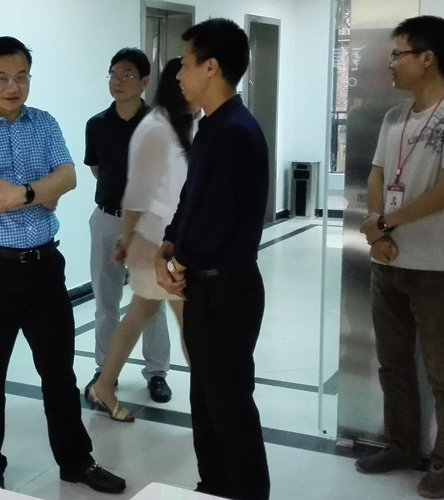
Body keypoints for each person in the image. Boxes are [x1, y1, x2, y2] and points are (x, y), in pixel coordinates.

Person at [0, 36, 126, 494]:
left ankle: (76, 461)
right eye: (1, 78)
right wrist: (40, 193)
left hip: (45, 266)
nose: (13, 87)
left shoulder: (43, 122)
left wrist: (21, 192)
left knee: (59, 372)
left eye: (22, 77)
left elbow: (67, 177)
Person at [156, 19, 270, 499]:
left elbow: (216, 219)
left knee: (229, 406)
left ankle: (243, 491)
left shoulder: (235, 133)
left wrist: (178, 263)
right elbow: (192, 198)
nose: (178, 74)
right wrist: (168, 242)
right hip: (205, 284)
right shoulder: (213, 125)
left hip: (226, 289)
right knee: (206, 399)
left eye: (185, 64)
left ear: (211, 67)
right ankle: (214, 487)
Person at [356, 15, 444, 499]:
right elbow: (378, 174)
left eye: (398, 54)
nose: (391, 63)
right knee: (392, 363)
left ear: (427, 58)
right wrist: (377, 227)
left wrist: (386, 224)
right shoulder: (393, 118)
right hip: (388, 262)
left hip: (439, 266)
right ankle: (400, 445)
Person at [88, 58, 192, 422]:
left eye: (127, 75)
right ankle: (210, 399)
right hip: (154, 241)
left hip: (163, 238)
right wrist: (128, 238)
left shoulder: (175, 124)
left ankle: (106, 384)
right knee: (184, 318)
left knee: (143, 314)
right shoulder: (157, 128)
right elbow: (135, 193)